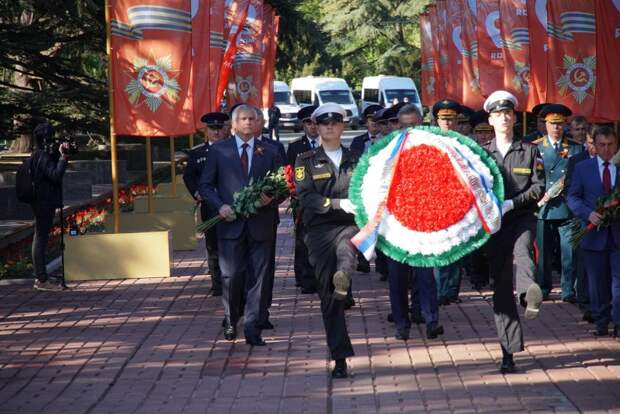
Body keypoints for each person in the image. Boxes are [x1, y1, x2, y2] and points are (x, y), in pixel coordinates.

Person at [199, 104, 284, 346]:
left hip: (261, 223)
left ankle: (252, 325)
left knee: (258, 276)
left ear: (258, 124)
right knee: (231, 274)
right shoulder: (219, 150)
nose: (248, 123)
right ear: (233, 125)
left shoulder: (269, 151)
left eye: (252, 119)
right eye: (243, 119)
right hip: (230, 223)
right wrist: (220, 206)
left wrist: (273, 198)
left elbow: (283, 184)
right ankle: (230, 317)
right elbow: (206, 186)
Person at [481, 91, 545, 373]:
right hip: (495, 226)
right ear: (491, 119)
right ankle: (507, 352)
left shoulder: (530, 150)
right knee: (501, 290)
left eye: (508, 113)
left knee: (524, 250)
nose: (504, 117)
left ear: (514, 118)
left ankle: (529, 293)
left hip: (521, 218)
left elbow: (538, 187)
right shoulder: (482, 154)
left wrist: (512, 203)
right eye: (499, 114)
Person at [294, 103, 360, 378]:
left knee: (346, 251)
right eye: (323, 123)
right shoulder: (305, 160)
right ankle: (340, 356)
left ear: (343, 126)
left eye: (334, 122)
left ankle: (344, 276)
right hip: (320, 230)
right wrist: (337, 203)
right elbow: (305, 195)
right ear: (316, 127)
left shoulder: (358, 158)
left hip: (348, 226)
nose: (329, 127)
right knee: (328, 296)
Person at [567, 126, 620, 338]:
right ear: (594, 146)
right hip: (593, 234)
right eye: (602, 145)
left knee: (618, 281)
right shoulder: (583, 168)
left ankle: (618, 321)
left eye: (610, 145)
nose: (606, 150)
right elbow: (572, 197)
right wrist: (587, 214)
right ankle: (601, 320)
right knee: (596, 282)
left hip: (617, 235)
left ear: (616, 146)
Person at [533, 104, 583, 302]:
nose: (556, 127)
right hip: (544, 207)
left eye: (560, 123)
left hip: (567, 207)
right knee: (543, 253)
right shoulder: (535, 147)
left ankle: (568, 289)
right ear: (545, 124)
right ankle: (544, 287)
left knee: (568, 252)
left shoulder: (575, 148)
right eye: (552, 123)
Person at [183, 112, 229, 297]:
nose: (216, 133)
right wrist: (196, 193)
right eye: (212, 129)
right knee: (213, 245)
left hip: (231, 204)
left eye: (219, 128)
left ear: (225, 129)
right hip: (210, 206)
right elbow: (189, 176)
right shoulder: (198, 153)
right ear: (206, 130)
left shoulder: (233, 149)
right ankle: (218, 285)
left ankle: (233, 281)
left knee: (233, 243)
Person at [29, 123, 70, 292]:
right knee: (40, 238)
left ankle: (42, 276)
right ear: (46, 138)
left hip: (44, 200)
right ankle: (41, 279)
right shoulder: (41, 156)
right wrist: (63, 158)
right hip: (42, 202)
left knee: (41, 237)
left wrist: (59, 156)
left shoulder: (40, 154)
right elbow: (55, 175)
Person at [432, 99, 465, 305]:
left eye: (451, 119)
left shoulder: (465, 143)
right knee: (438, 248)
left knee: (457, 248)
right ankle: (438, 290)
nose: (447, 123)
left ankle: (451, 290)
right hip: (436, 202)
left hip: (459, 202)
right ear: (437, 121)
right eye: (444, 119)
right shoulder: (429, 141)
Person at [286, 105, 318, 293]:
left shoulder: (328, 143)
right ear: (303, 125)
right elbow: (288, 171)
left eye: (315, 123)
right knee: (302, 239)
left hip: (324, 197)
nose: (312, 127)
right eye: (308, 123)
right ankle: (305, 278)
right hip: (301, 200)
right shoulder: (295, 147)